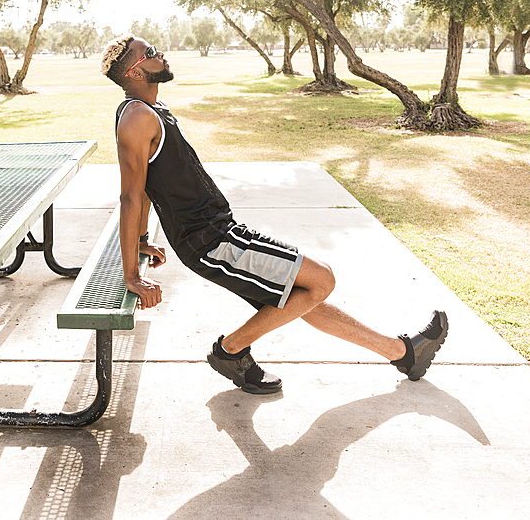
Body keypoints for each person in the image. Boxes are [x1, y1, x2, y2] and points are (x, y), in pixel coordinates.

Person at [99, 35, 448, 394]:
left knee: (299, 297)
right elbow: (130, 196)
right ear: (135, 71)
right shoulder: (137, 118)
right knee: (321, 280)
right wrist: (131, 276)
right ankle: (230, 350)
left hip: (218, 232)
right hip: (212, 241)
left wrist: (142, 240)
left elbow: (143, 190)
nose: (162, 55)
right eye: (151, 54)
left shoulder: (151, 111)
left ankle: (405, 353)